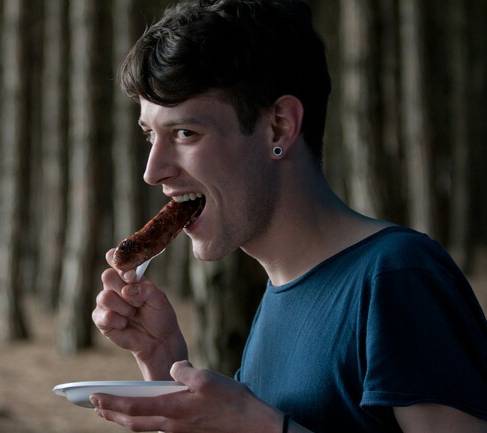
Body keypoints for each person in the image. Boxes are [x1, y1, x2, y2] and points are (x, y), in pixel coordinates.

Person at [91, 0, 487, 432]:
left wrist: (258, 425)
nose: (152, 172)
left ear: (279, 126)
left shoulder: (399, 276)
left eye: (185, 133)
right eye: (150, 135)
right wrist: (163, 360)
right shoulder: (281, 297)